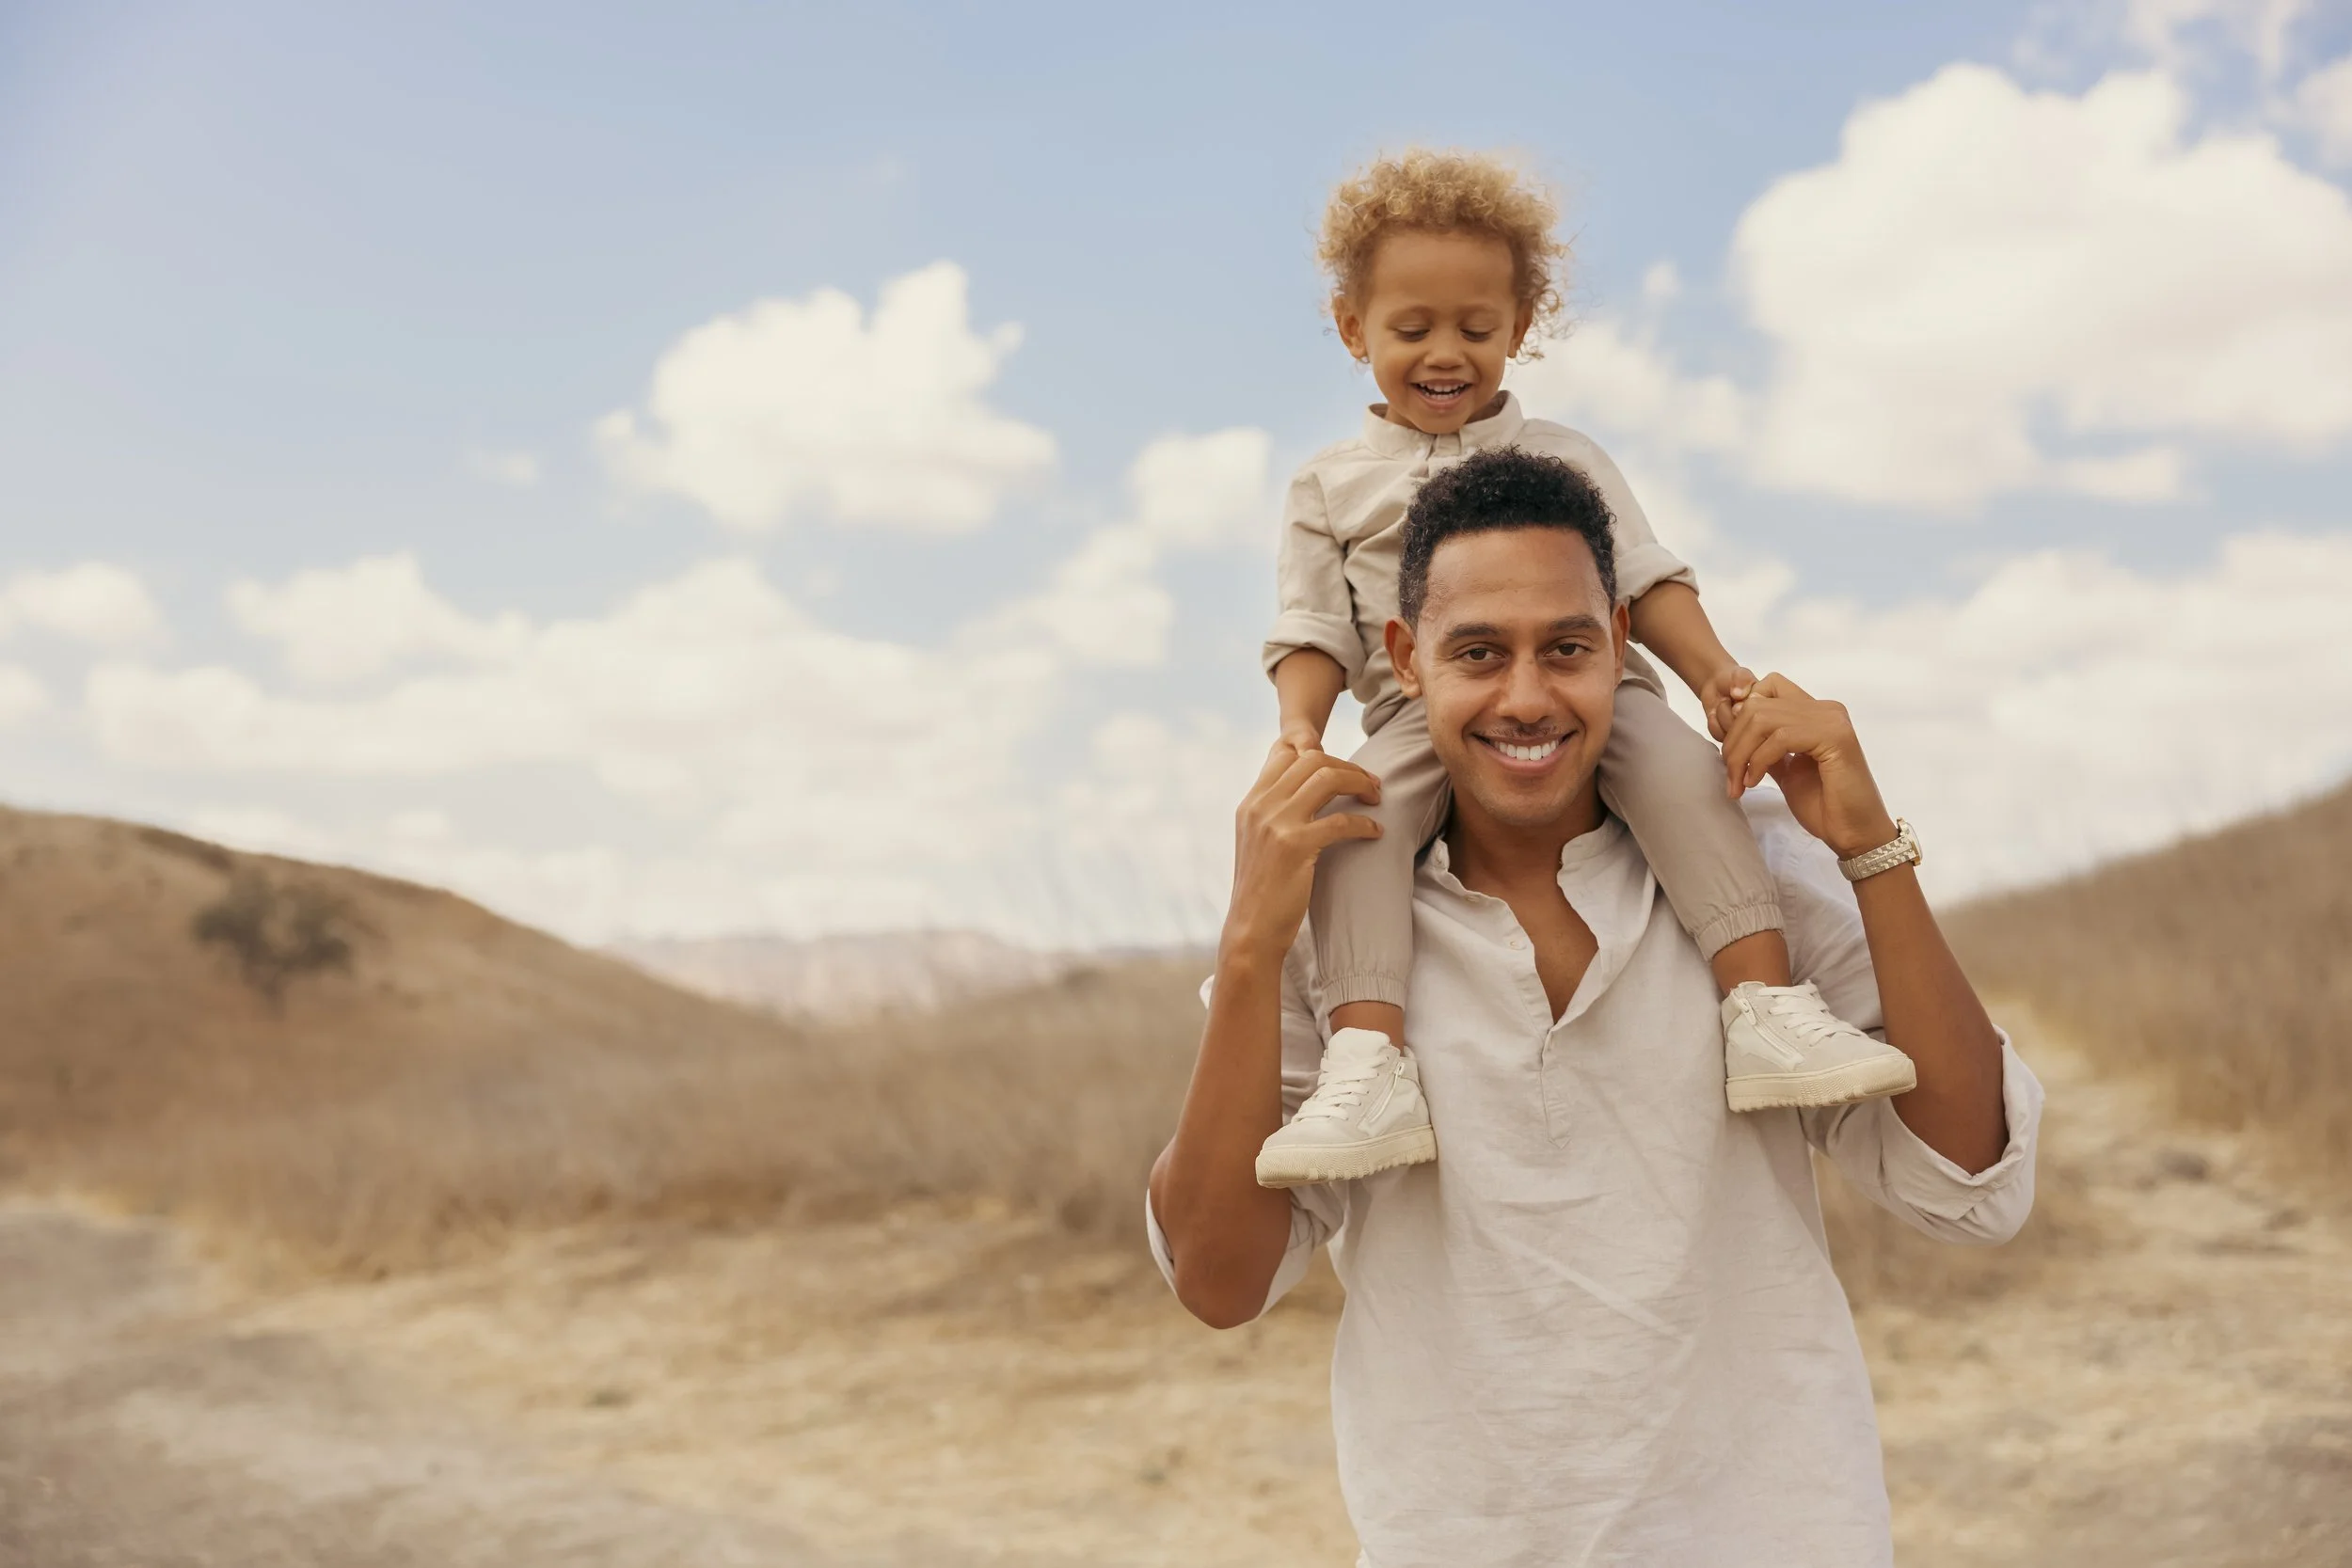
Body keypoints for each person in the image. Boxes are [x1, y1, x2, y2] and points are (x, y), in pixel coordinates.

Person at [1150, 447, 2042, 1565]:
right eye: (1478, 652)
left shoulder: (1757, 866)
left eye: (1565, 648)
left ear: (1620, 644)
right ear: (1405, 659)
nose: (1526, 697)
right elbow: (1219, 1281)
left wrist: (1868, 847)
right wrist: (1248, 945)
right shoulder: (1327, 920)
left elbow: (1969, 1187)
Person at [1255, 149, 1912, 1189]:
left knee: (1686, 776)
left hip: (1599, 697)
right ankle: (1368, 1061)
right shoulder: (1327, 487)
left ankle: (1763, 1007)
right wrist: (1300, 728)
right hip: (1420, 716)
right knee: (1359, 827)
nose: (1445, 353)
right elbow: (1310, 627)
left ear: (1519, 326)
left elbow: (1643, 576)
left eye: (1476, 329)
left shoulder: (1567, 458)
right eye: (1411, 329)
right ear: (1352, 329)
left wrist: (1715, 674)